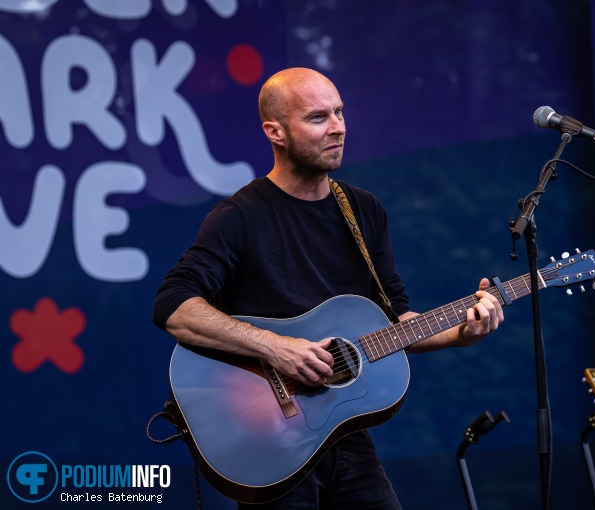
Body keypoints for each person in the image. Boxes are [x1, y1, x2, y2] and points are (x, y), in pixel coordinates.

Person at [152, 67, 504, 509]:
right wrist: (275, 347)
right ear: (275, 132)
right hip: (272, 441)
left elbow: (396, 322)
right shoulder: (239, 217)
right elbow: (173, 306)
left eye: (339, 112)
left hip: (344, 435)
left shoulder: (363, 211)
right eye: (318, 117)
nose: (337, 127)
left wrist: (462, 333)